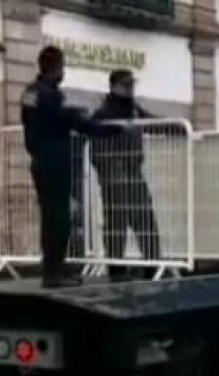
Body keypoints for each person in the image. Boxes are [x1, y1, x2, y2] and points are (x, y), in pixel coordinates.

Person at [21, 46, 126, 288]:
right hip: (55, 161)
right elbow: (74, 123)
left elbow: (32, 120)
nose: (64, 72)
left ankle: (54, 269)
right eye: (63, 67)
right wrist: (116, 128)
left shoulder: (30, 93)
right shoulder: (51, 95)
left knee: (50, 217)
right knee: (59, 218)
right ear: (56, 67)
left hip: (38, 160)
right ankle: (54, 274)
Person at [90, 69, 161, 282]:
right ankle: (116, 268)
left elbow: (150, 121)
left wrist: (175, 126)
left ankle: (153, 264)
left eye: (132, 84)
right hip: (114, 170)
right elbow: (95, 143)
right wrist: (105, 169)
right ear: (114, 86)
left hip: (133, 169)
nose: (131, 89)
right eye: (126, 85)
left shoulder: (133, 109)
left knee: (144, 216)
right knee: (117, 220)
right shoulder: (104, 112)